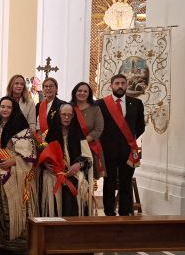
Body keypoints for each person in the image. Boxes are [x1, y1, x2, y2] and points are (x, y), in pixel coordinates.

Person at [0, 96, 37, 252]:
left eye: (8, 107)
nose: (4, 109)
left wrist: (14, 161)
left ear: (14, 109)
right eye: (2, 106)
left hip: (16, 175)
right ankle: (0, 244)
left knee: (15, 207)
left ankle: (18, 244)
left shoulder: (21, 128)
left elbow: (29, 154)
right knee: (0, 208)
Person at [97, 74, 145, 216]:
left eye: (123, 83)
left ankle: (126, 212)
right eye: (116, 83)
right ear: (111, 86)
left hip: (128, 150)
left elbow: (140, 126)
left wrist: (129, 140)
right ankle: (109, 212)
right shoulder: (101, 104)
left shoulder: (136, 103)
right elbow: (98, 126)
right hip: (108, 150)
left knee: (126, 182)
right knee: (109, 182)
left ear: (127, 85)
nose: (120, 86)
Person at [41, 103, 93, 217]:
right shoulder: (50, 134)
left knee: (73, 188)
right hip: (54, 173)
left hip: (73, 173)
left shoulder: (79, 134)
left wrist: (79, 164)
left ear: (73, 116)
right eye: (64, 115)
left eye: (69, 115)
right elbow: (43, 155)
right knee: (49, 181)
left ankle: (72, 227)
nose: (66, 118)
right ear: (59, 115)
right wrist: (45, 163)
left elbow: (88, 158)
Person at [71, 81, 105, 179]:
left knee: (87, 180)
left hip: (88, 148)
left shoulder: (95, 109)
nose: (82, 93)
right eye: (79, 91)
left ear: (89, 94)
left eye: (85, 91)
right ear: (75, 92)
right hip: (71, 147)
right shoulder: (69, 107)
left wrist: (83, 142)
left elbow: (98, 129)